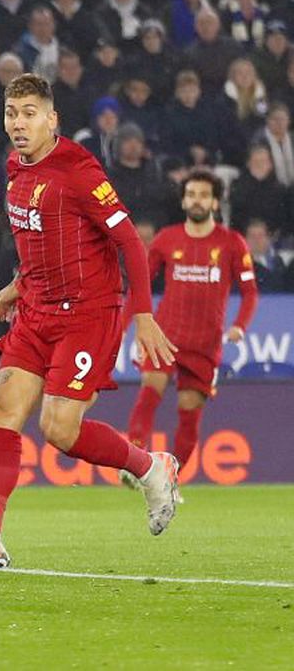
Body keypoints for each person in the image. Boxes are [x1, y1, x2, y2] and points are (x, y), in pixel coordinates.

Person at [0, 73, 180, 571]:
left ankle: (152, 467)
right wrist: (17, 284)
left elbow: (131, 242)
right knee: (3, 408)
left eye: (29, 114)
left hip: (88, 315)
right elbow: (43, 240)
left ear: (52, 119)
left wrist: (145, 314)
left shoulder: (80, 170)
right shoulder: (14, 168)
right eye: (11, 113)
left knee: (59, 428)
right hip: (36, 309)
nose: (19, 124)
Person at [124, 173, 258, 484]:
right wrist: (125, 324)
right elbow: (140, 285)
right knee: (149, 392)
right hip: (166, 335)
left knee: (189, 412)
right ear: (184, 200)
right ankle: (134, 462)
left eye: (204, 194)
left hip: (205, 344)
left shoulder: (232, 243)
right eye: (192, 194)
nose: (197, 199)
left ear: (214, 202)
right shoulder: (166, 239)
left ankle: (169, 480)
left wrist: (239, 325)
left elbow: (250, 292)